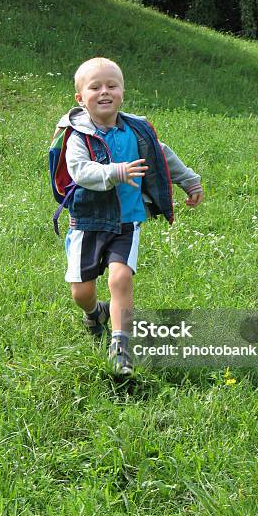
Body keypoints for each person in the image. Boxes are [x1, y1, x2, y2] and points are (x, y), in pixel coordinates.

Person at [55, 57, 204, 376]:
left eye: (112, 85)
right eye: (95, 87)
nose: (104, 92)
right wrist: (115, 171)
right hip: (88, 221)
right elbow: (80, 171)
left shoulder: (136, 131)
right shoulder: (77, 135)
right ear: (81, 99)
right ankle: (96, 313)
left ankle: (120, 347)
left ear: (123, 91)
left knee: (120, 278)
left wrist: (189, 181)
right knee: (81, 292)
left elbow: (162, 156)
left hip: (127, 219)